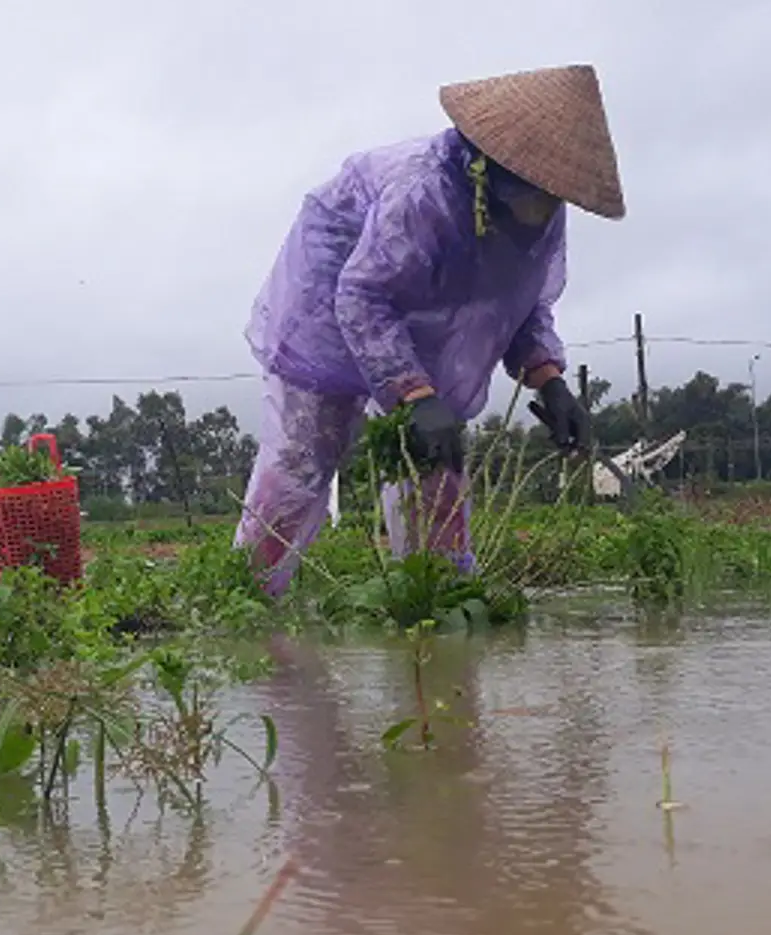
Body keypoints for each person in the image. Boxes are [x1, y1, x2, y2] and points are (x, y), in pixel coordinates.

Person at [235, 64, 625, 596]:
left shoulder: (540, 213)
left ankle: (438, 602)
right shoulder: (422, 193)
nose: (546, 207)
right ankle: (248, 600)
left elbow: (522, 304)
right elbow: (364, 295)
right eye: (536, 192)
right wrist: (415, 394)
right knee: (304, 455)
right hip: (335, 291)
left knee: (437, 462)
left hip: (424, 307)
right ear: (492, 169)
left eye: (554, 197)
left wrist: (550, 380)